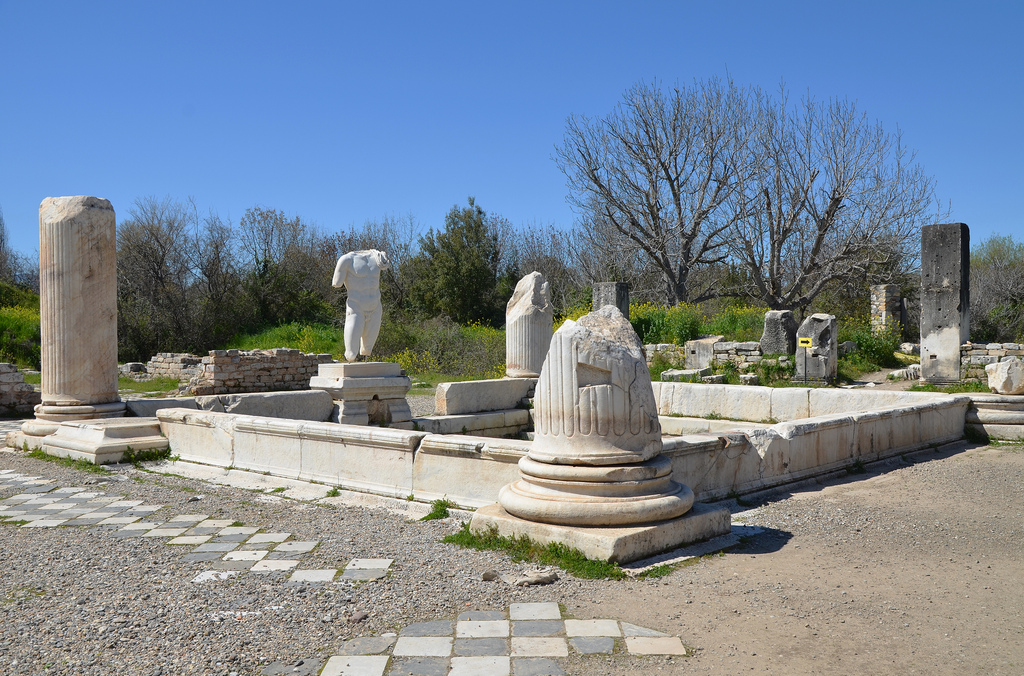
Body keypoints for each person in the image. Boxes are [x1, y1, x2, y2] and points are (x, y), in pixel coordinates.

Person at [332, 249, 390, 362]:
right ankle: (350, 362)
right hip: (356, 306)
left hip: (375, 306)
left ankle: (364, 361)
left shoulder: (378, 258)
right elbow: (336, 283)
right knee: (351, 353)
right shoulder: (346, 260)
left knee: (367, 349)